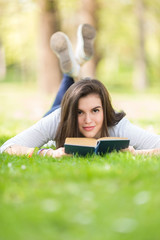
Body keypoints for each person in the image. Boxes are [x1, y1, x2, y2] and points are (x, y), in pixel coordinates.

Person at [1, 24, 160, 158]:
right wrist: (49, 153)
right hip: (60, 111)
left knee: (71, 82)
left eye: (95, 110)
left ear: (105, 109)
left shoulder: (117, 126)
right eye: (79, 112)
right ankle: (75, 65)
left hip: (69, 107)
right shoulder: (57, 119)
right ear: (71, 113)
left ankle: (73, 67)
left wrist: (136, 152)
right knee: (64, 100)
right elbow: (6, 149)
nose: (88, 120)